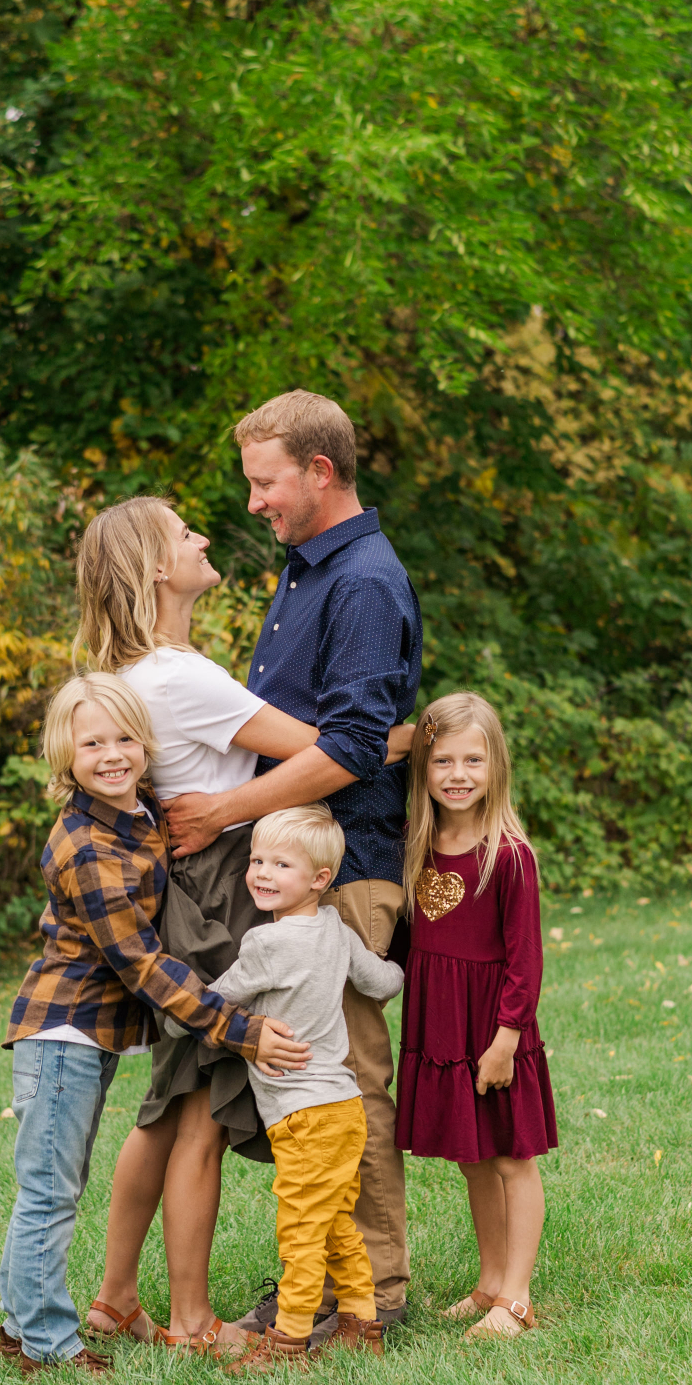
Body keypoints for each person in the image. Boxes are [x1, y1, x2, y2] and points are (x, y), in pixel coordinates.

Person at [74, 497, 411, 1354]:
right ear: (154, 566)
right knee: (196, 1113)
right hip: (220, 893)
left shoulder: (161, 668)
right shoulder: (175, 676)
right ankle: (186, 1319)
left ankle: (118, 1297)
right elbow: (333, 749)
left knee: (174, 1101)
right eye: (184, 533)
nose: (204, 537)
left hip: (202, 884)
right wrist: (426, 734)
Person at [164, 390, 422, 1335]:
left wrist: (222, 812)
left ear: (320, 472)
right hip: (301, 865)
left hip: (344, 869)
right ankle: (328, 1275)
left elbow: (352, 743)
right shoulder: (307, 568)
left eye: (265, 484)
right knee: (313, 1075)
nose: (253, 504)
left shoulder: (360, 580)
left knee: (346, 1079)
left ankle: (375, 1292)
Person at [0, 672, 309, 1375]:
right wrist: (240, 1029)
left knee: (53, 1183)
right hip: (61, 1035)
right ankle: (48, 1343)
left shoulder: (135, 819)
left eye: (126, 738)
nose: (113, 754)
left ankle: (21, 1324)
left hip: (88, 1038)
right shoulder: (85, 847)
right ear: (63, 756)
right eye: (92, 743)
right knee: (49, 1191)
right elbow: (142, 965)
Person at [205, 805, 405, 1372]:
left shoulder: (264, 945)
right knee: (336, 1221)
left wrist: (169, 1007)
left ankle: (289, 1342)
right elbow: (380, 979)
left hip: (303, 1115)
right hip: (343, 1107)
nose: (262, 873)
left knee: (300, 1231)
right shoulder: (337, 931)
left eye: (280, 864)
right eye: (257, 860)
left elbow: (215, 1003)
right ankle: (361, 1325)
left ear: (320, 879)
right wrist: (413, 967)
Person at [394, 692, 557, 1340]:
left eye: (473, 760)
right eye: (442, 762)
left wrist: (507, 1037)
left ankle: (516, 1298)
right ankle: (489, 1281)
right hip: (441, 1026)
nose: (457, 774)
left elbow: (526, 959)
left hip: (494, 1029)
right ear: (423, 771)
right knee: (473, 1159)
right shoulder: (419, 845)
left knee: (514, 1156)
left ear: (496, 767)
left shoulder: (508, 853)